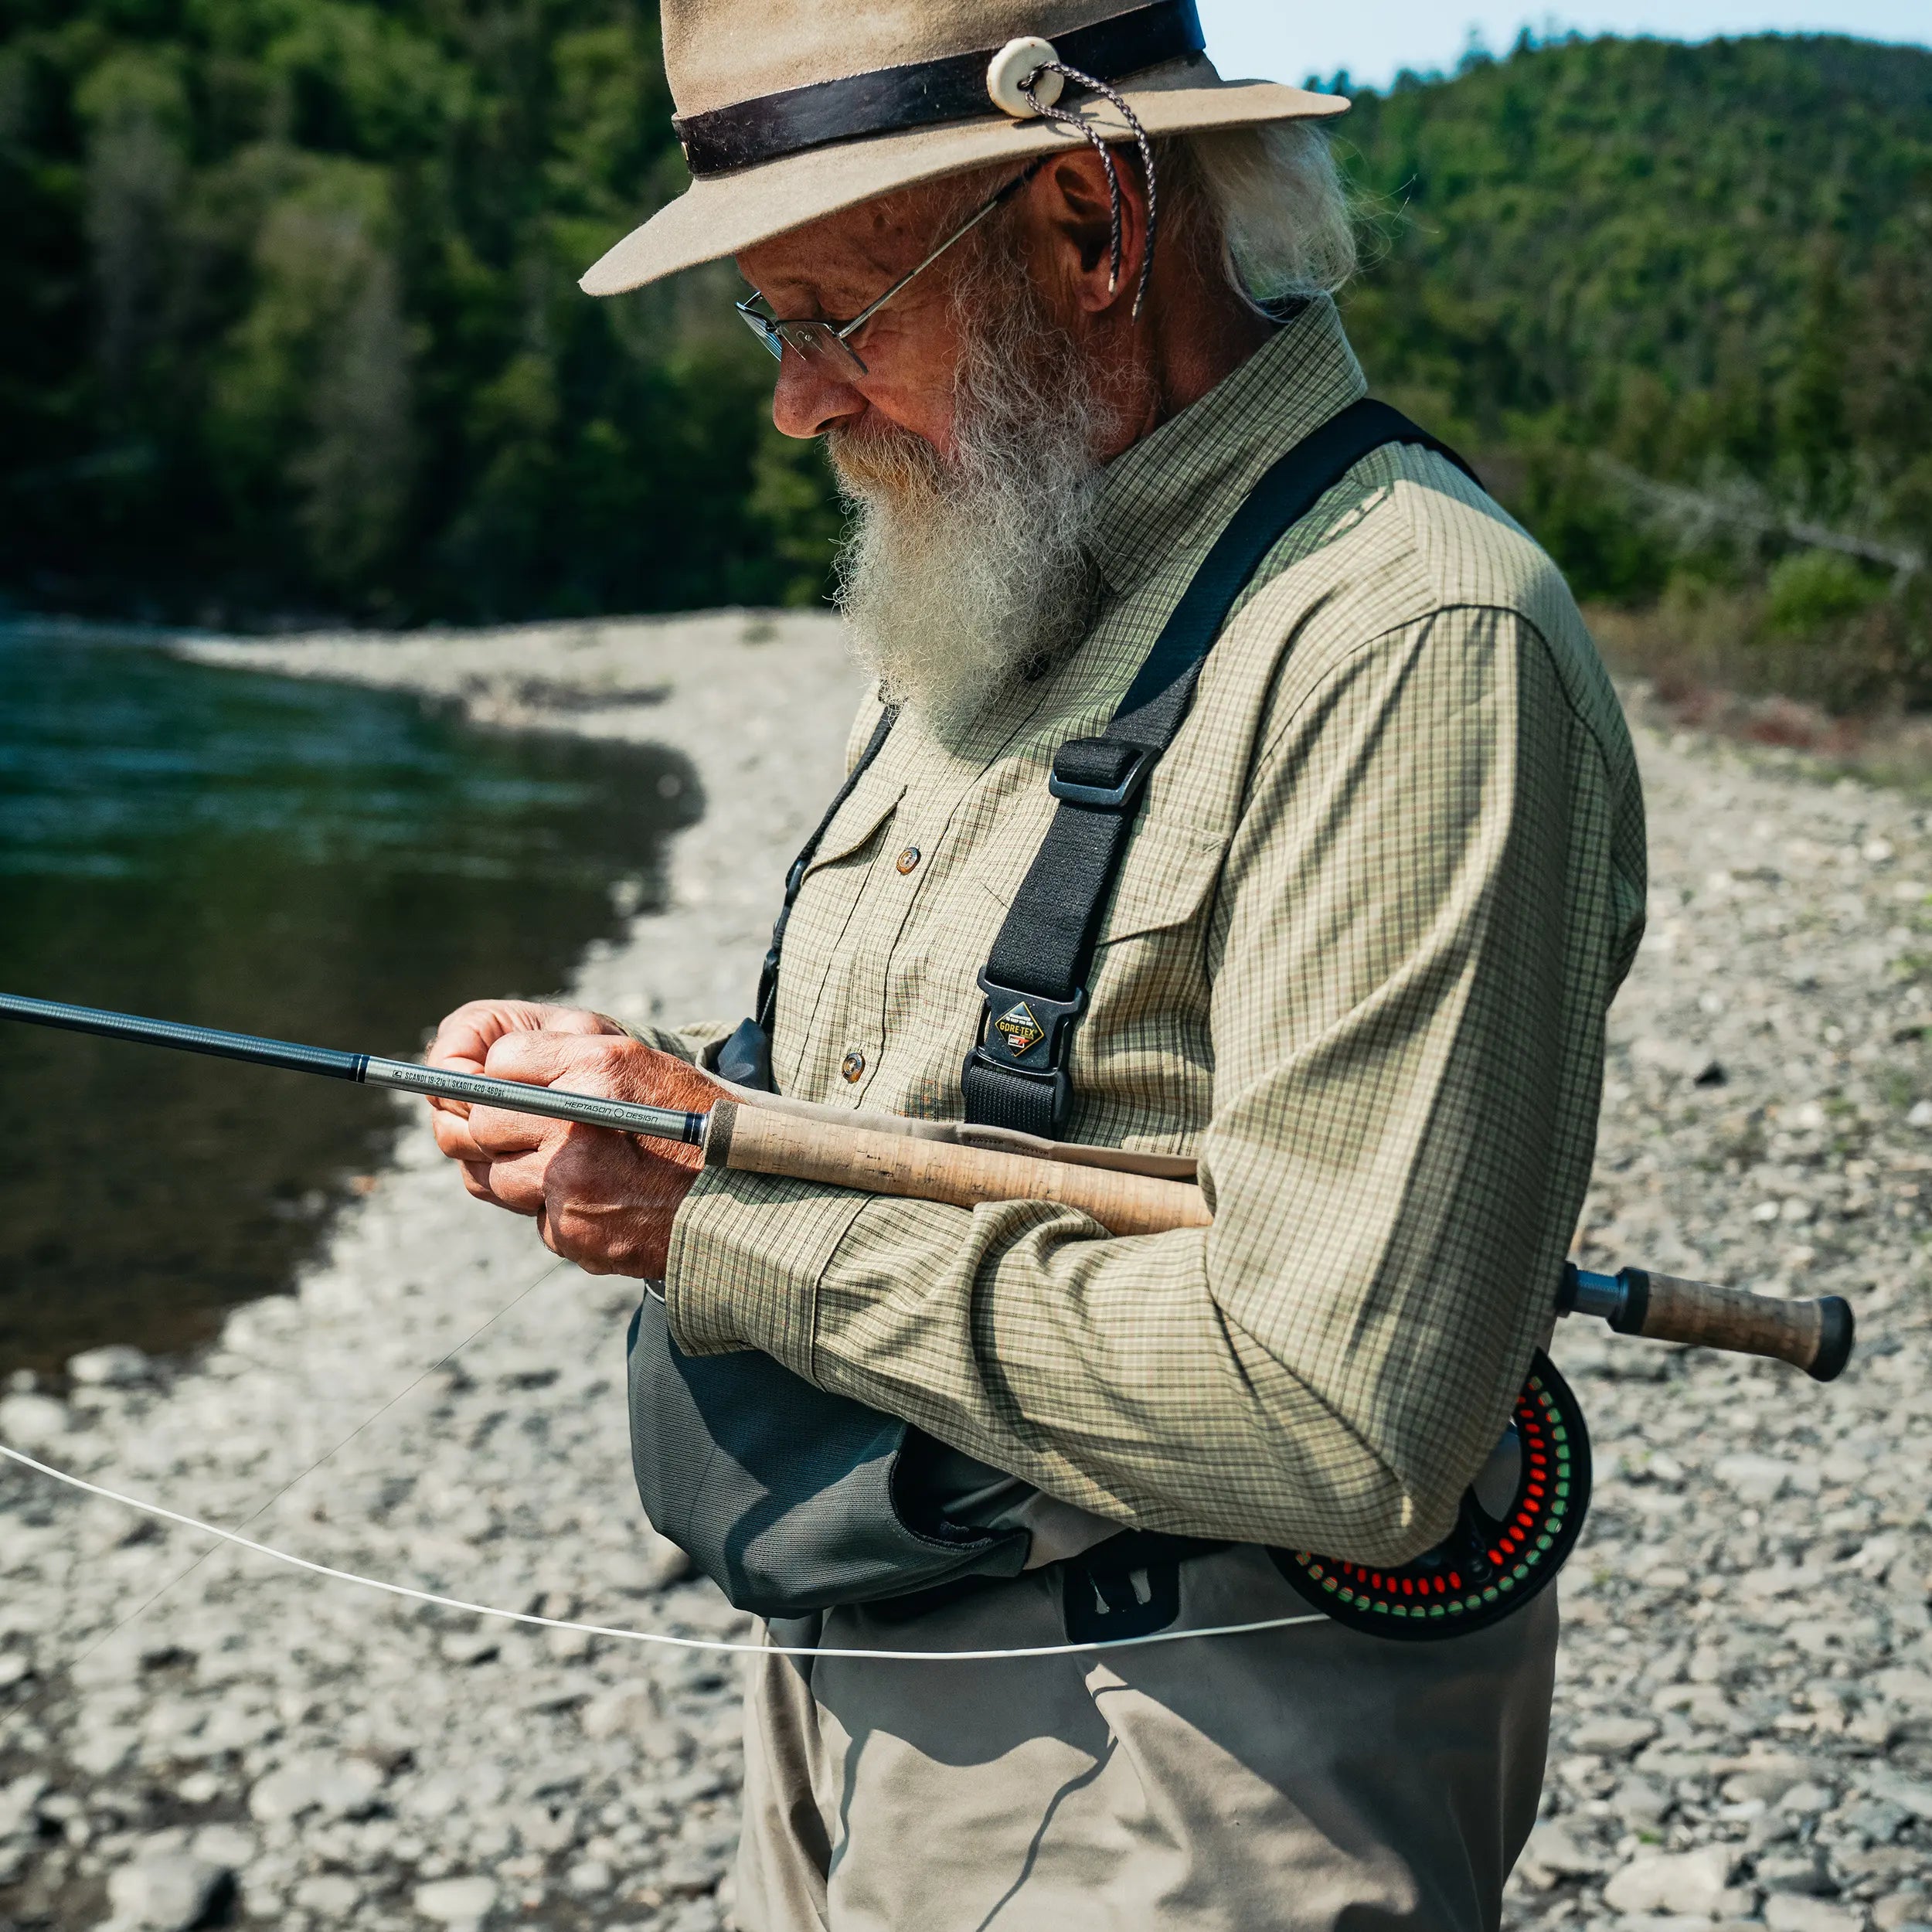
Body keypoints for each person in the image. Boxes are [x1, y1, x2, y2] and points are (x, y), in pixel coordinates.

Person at [424, 2, 1648, 1927]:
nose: (795, 399)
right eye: (771, 322)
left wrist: (698, 1229)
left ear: (1087, 219)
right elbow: (941, 1095)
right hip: (849, 1699)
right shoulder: (989, 560)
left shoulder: (1415, 641)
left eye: (831, 308)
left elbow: (1346, 1418)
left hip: (1189, 1775)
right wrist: (652, 1095)